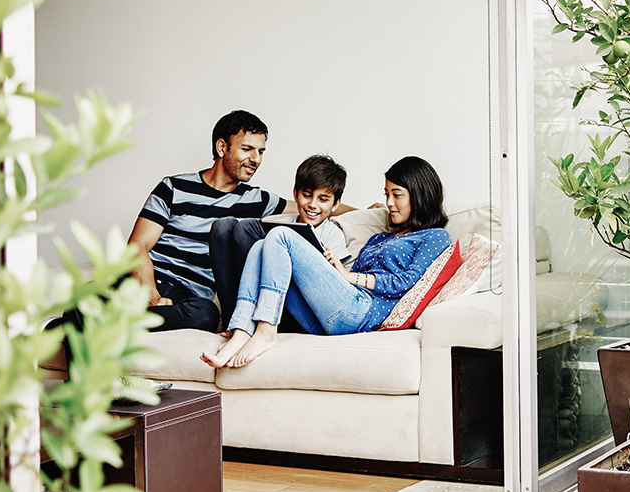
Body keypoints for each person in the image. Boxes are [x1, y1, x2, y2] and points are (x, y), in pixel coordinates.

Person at [202, 156, 451, 368]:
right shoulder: (380, 237)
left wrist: (347, 276)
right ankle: (242, 330)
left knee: (281, 234)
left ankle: (267, 332)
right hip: (332, 312)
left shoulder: (435, 236)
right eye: (387, 195)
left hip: (361, 313)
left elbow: (406, 282)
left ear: (420, 195)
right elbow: (351, 277)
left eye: (397, 195)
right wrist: (332, 270)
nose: (389, 203)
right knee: (260, 246)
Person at [126, 110, 288, 332]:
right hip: (147, 282)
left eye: (261, 151)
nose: (256, 159)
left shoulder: (257, 199)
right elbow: (138, 246)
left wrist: (338, 204)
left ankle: (111, 322)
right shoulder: (173, 187)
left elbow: (307, 204)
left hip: (189, 298)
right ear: (222, 148)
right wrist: (151, 294)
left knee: (206, 315)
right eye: (247, 149)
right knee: (80, 302)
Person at [209, 155, 351, 331]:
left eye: (323, 199)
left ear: (336, 204)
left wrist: (330, 264)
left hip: (292, 307)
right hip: (259, 291)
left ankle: (251, 323)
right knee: (222, 226)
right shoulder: (280, 222)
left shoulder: (333, 234)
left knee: (245, 228)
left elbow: (337, 289)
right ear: (295, 195)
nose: (313, 205)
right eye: (307, 195)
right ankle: (234, 320)